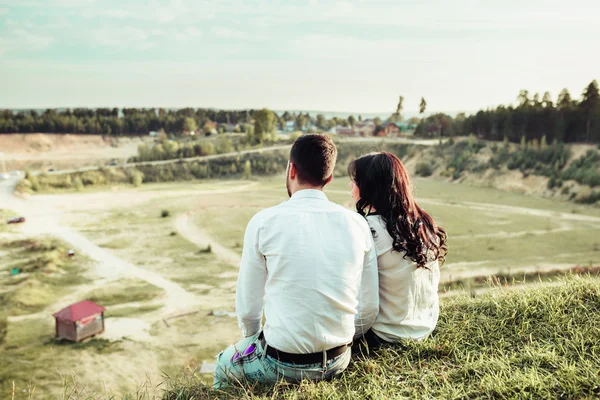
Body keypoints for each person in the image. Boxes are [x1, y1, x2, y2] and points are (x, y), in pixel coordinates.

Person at [214, 134, 379, 388]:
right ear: (329, 178)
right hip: (339, 358)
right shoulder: (357, 224)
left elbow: (249, 309)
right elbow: (369, 307)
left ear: (291, 169)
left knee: (223, 365)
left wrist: (251, 342)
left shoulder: (264, 222)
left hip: (282, 364)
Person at [348, 152, 447, 349]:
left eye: (355, 180)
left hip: (385, 335)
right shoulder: (422, 224)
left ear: (370, 186)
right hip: (424, 327)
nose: (351, 185)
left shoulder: (369, 229)